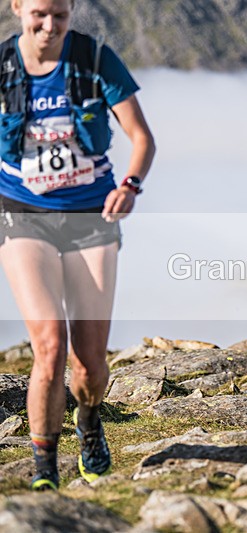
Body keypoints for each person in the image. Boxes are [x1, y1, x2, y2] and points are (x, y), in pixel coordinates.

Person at [0, 0, 155, 490]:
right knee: (49, 345)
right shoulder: (3, 66)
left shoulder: (95, 60)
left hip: (92, 217)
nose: (49, 26)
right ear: (18, 7)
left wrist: (129, 186)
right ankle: (44, 469)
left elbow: (141, 138)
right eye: (39, 14)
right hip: (23, 213)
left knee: (89, 364)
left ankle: (88, 418)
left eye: (60, 15)